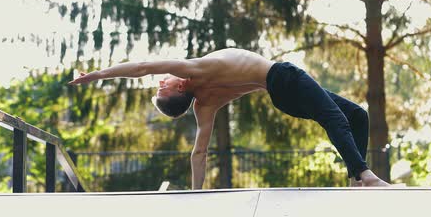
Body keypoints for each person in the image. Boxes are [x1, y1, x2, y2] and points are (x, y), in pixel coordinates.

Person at [68, 48, 390, 188]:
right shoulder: (192, 70)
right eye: (162, 87)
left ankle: (355, 181)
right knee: (337, 119)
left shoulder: (203, 105)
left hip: (280, 96)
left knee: (355, 116)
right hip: (284, 78)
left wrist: (197, 195)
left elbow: (199, 152)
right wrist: (96, 74)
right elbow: (140, 68)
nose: (160, 80)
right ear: (179, 87)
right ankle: (365, 174)